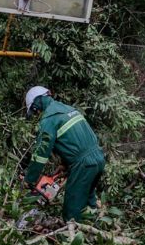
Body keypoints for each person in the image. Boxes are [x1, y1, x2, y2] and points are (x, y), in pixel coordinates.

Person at [23, 86, 105, 222]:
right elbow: (76, 141)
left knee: (71, 207)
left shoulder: (49, 119)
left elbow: (41, 155)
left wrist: (30, 179)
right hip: (99, 158)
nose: (36, 113)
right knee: (89, 197)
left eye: (34, 110)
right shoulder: (70, 110)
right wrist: (65, 165)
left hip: (83, 165)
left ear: (37, 102)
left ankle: (71, 238)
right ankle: (95, 229)